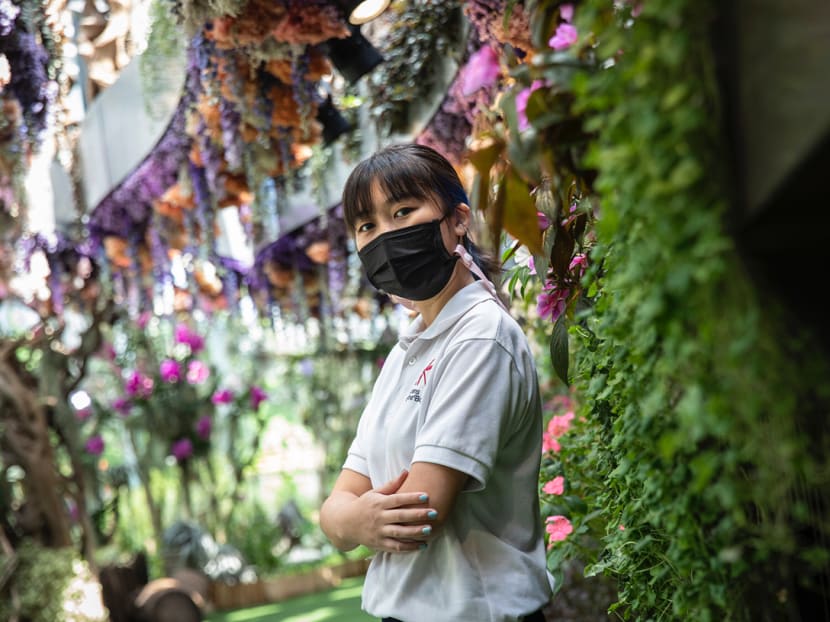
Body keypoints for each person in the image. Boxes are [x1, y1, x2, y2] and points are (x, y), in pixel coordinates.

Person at [319, 144, 552, 622]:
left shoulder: (481, 337)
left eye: (403, 211)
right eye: (367, 226)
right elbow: (335, 515)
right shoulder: (408, 351)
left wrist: (355, 518)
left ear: (457, 219)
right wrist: (354, 519)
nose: (385, 235)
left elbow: (420, 511)